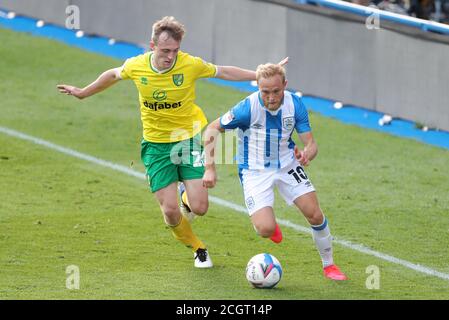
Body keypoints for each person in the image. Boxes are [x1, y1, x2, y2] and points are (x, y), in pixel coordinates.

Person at [57, 16, 286, 268]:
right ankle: (198, 248)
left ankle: (185, 195)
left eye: (175, 51)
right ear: (152, 46)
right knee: (170, 212)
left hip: (186, 139)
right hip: (155, 146)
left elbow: (223, 71)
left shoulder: (189, 65)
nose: (170, 56)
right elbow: (112, 75)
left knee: (199, 208)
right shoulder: (136, 66)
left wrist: (261, 75)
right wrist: (82, 92)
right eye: (165, 51)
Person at [202, 63, 347, 280]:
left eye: (276, 91)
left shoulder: (295, 104)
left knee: (315, 214)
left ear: (285, 86)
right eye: (265, 92)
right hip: (254, 170)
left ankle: (329, 265)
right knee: (265, 230)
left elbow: (312, 144)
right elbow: (212, 129)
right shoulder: (246, 108)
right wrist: (209, 169)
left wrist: (307, 154)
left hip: (288, 164)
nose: (271, 97)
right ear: (258, 88)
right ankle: (271, 227)